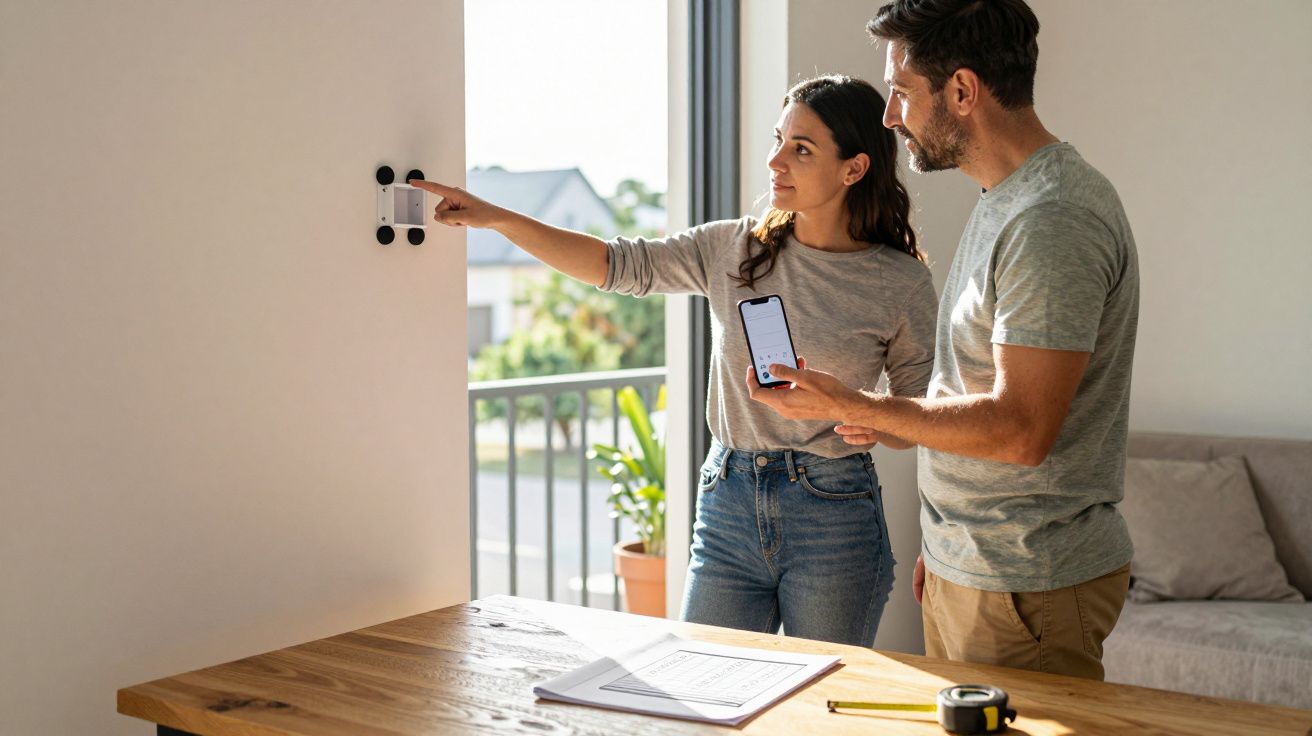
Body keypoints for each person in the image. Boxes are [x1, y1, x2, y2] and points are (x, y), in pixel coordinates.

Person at [411, 75, 938, 647]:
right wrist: (499, 219)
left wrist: (862, 409)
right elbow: (615, 265)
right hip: (729, 502)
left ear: (853, 169)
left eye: (801, 149)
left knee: (819, 705)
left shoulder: (901, 283)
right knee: (707, 689)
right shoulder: (732, 248)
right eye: (779, 139)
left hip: (833, 513)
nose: (775, 159)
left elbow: (918, 420)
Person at [748, 0, 1139, 681]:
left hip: (1025, 580)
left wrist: (863, 407)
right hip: (983, 568)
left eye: (901, 90)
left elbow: (1020, 429)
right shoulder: (1006, 200)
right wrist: (947, 539)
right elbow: (972, 389)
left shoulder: (1052, 219)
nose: (891, 114)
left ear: (961, 91)